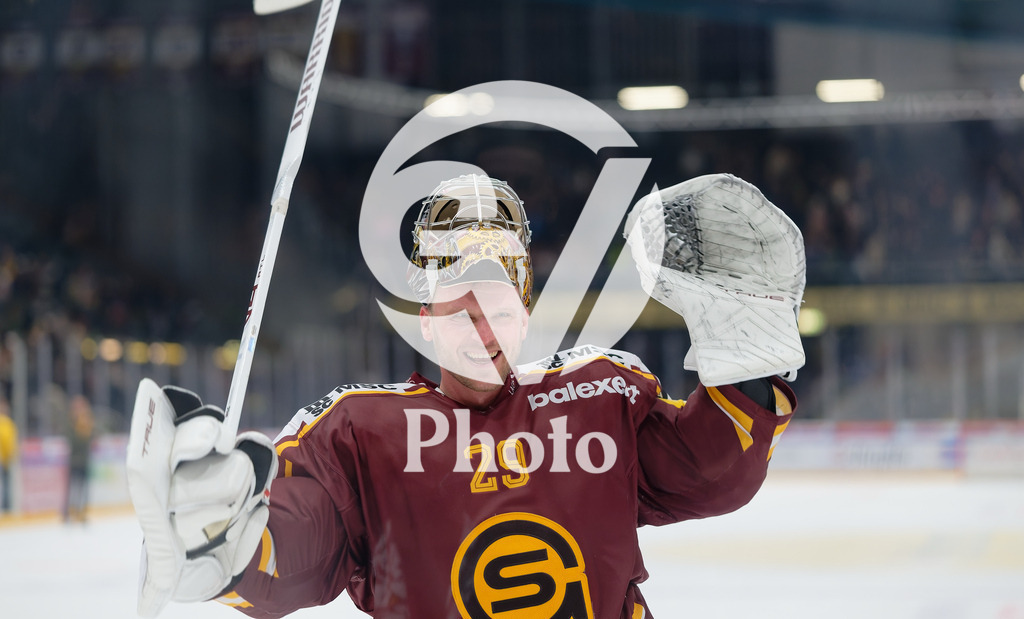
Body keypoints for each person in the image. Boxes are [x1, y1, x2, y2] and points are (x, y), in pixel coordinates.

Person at [128, 173, 806, 619]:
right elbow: (305, 540)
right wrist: (240, 546)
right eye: (462, 308)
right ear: (426, 322)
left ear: (525, 315)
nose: (483, 327)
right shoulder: (360, 432)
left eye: (499, 306)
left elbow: (710, 471)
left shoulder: (599, 397)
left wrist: (746, 350)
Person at [65, 394, 94, 523]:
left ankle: (82, 513)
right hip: (75, 462)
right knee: (73, 489)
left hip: (84, 462)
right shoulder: (70, 423)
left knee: (83, 489)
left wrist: (87, 429)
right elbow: (73, 442)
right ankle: (71, 513)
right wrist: (80, 429)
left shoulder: (88, 422)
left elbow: (90, 440)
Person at [0, 396, 17, 513]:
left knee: (7, 485)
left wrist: (11, 456)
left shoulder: (9, 423)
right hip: (2, 459)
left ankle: (6, 508)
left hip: (6, 460)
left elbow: (11, 442)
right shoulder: (5, 423)